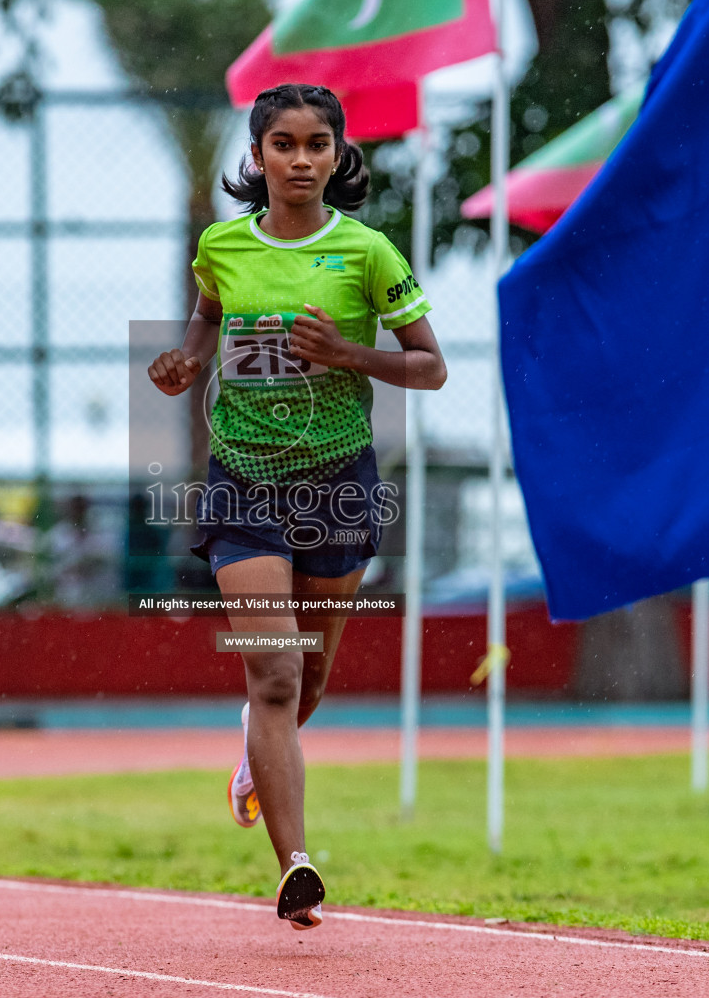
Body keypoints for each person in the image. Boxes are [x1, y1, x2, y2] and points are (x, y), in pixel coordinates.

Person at [147, 84, 446, 930]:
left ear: (339, 156)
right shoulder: (221, 245)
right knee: (275, 672)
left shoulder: (368, 253)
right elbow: (208, 315)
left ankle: (254, 751)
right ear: (258, 156)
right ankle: (296, 867)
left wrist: (349, 353)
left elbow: (431, 368)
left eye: (318, 144)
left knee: (308, 679)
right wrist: (186, 361)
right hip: (242, 483)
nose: (301, 159)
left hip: (337, 487)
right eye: (284, 144)